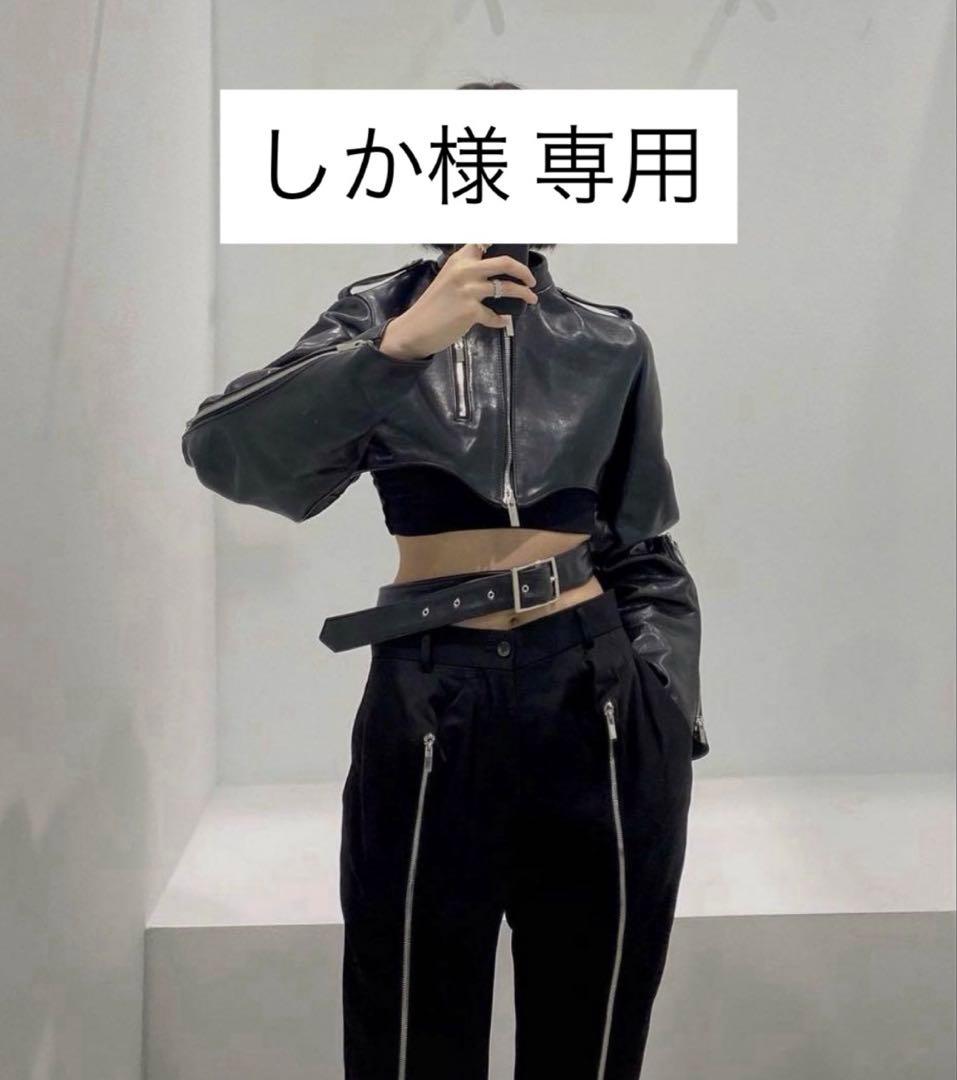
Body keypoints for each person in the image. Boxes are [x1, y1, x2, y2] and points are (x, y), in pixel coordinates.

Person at [182, 231, 707, 1077]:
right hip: (431, 685)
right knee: (407, 1020)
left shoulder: (611, 343)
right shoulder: (376, 317)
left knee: (594, 1024)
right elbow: (228, 456)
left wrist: (666, 705)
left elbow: (642, 541)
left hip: (597, 696)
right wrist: (394, 349)